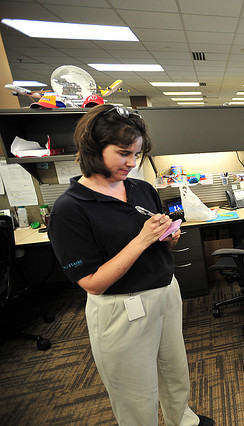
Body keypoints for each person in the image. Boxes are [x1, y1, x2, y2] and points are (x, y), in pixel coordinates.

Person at [48, 104, 214, 426]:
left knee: (175, 372)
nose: (131, 162)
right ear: (94, 149)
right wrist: (141, 239)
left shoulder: (142, 188)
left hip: (165, 293)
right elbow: (93, 282)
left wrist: (168, 238)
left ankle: (183, 420)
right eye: (123, 153)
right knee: (136, 394)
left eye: (136, 154)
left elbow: (158, 242)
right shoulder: (70, 209)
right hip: (122, 308)